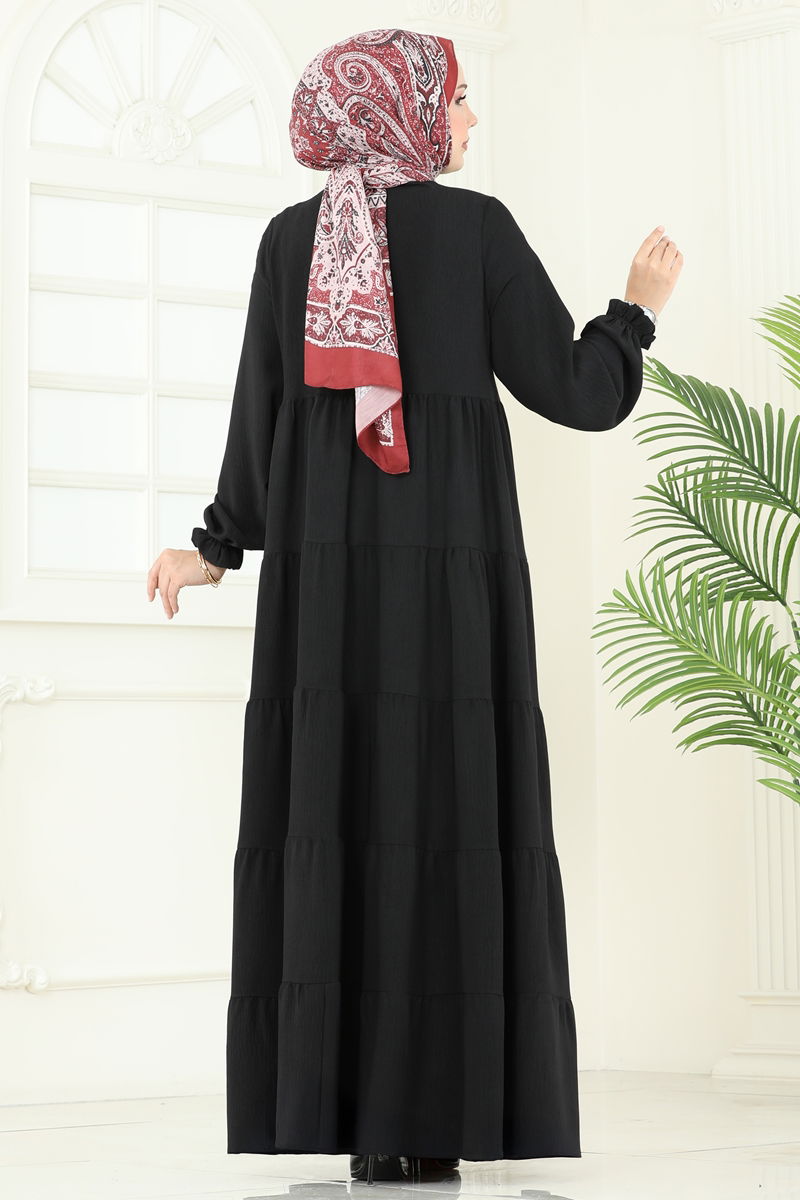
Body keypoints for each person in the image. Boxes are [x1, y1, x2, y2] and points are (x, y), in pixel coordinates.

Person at [146, 26, 683, 1185]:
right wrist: (634, 311)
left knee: (339, 803)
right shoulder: (473, 229)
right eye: (458, 97)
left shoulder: (290, 241)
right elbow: (576, 391)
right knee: (447, 806)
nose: (470, 119)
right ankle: (437, 1112)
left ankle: (365, 1120)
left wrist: (216, 548)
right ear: (401, 108)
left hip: (328, 585)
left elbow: (261, 418)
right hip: (449, 574)